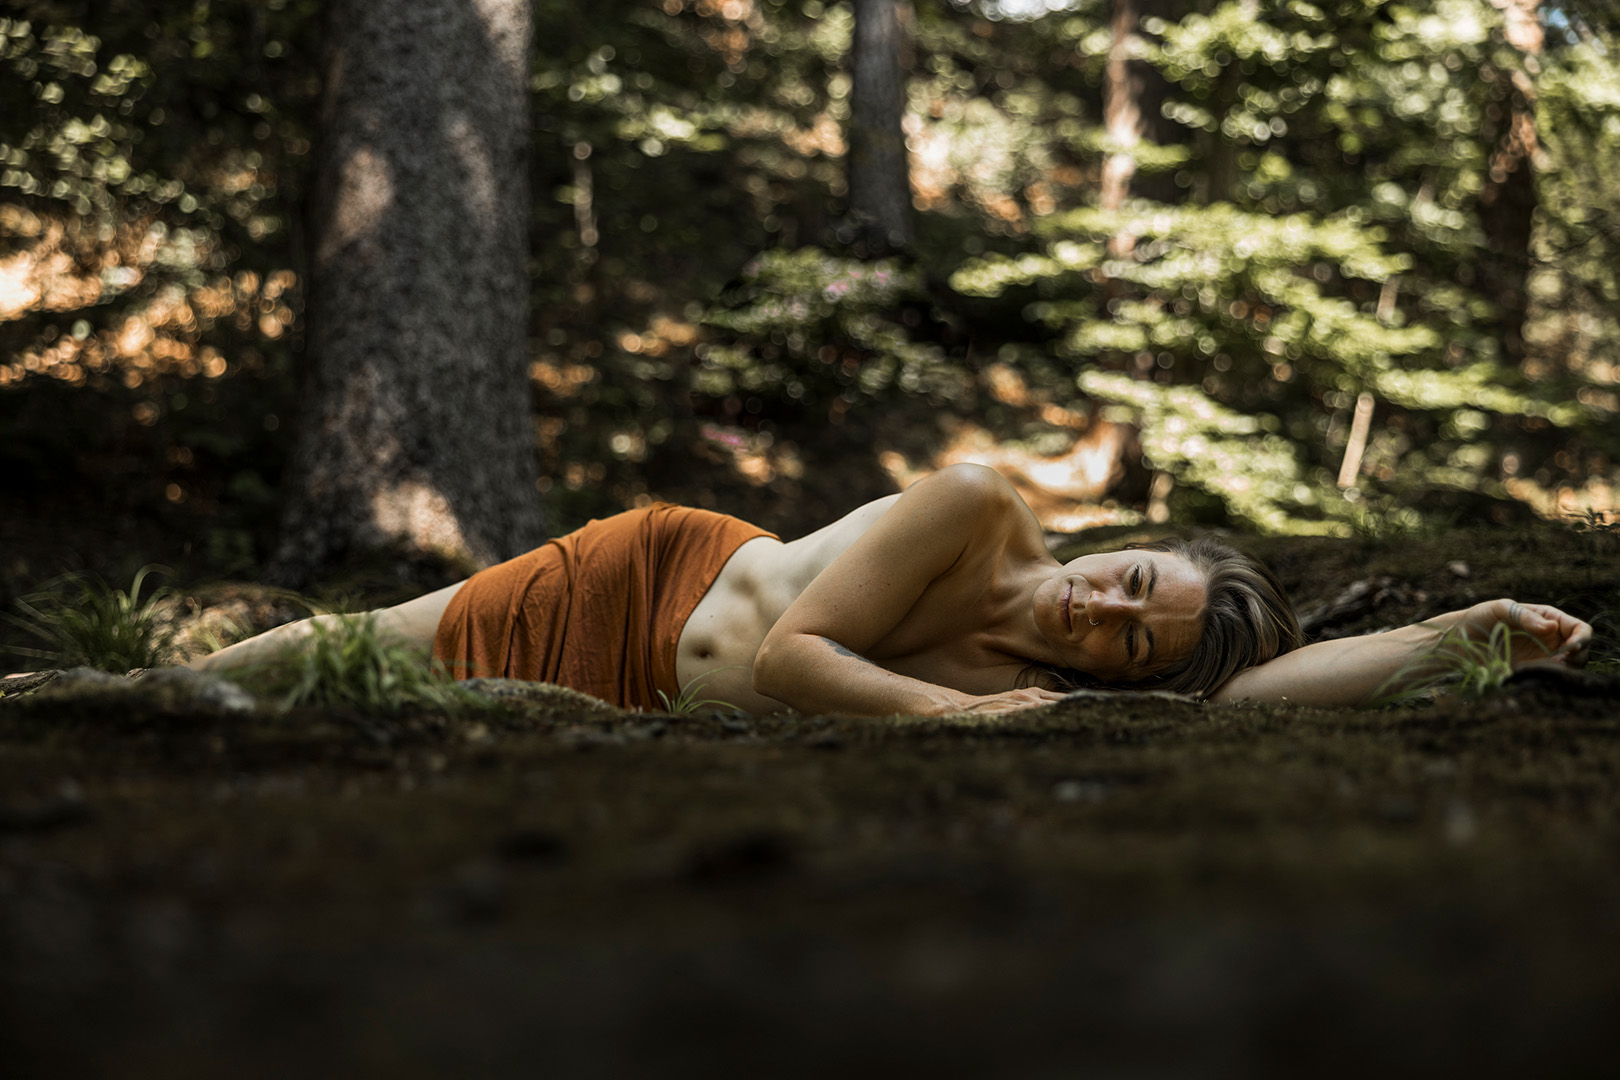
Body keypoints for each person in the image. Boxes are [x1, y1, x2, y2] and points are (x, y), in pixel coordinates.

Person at [190, 463, 1592, 715]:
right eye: (1126, 584)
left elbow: (1244, 702)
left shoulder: (1054, 680)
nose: (1099, 617)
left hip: (642, 714)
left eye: (1125, 646)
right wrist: (954, 722)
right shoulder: (977, 507)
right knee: (345, 652)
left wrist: (1456, 635)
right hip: (644, 587)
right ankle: (127, 692)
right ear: (1127, 539)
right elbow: (801, 658)